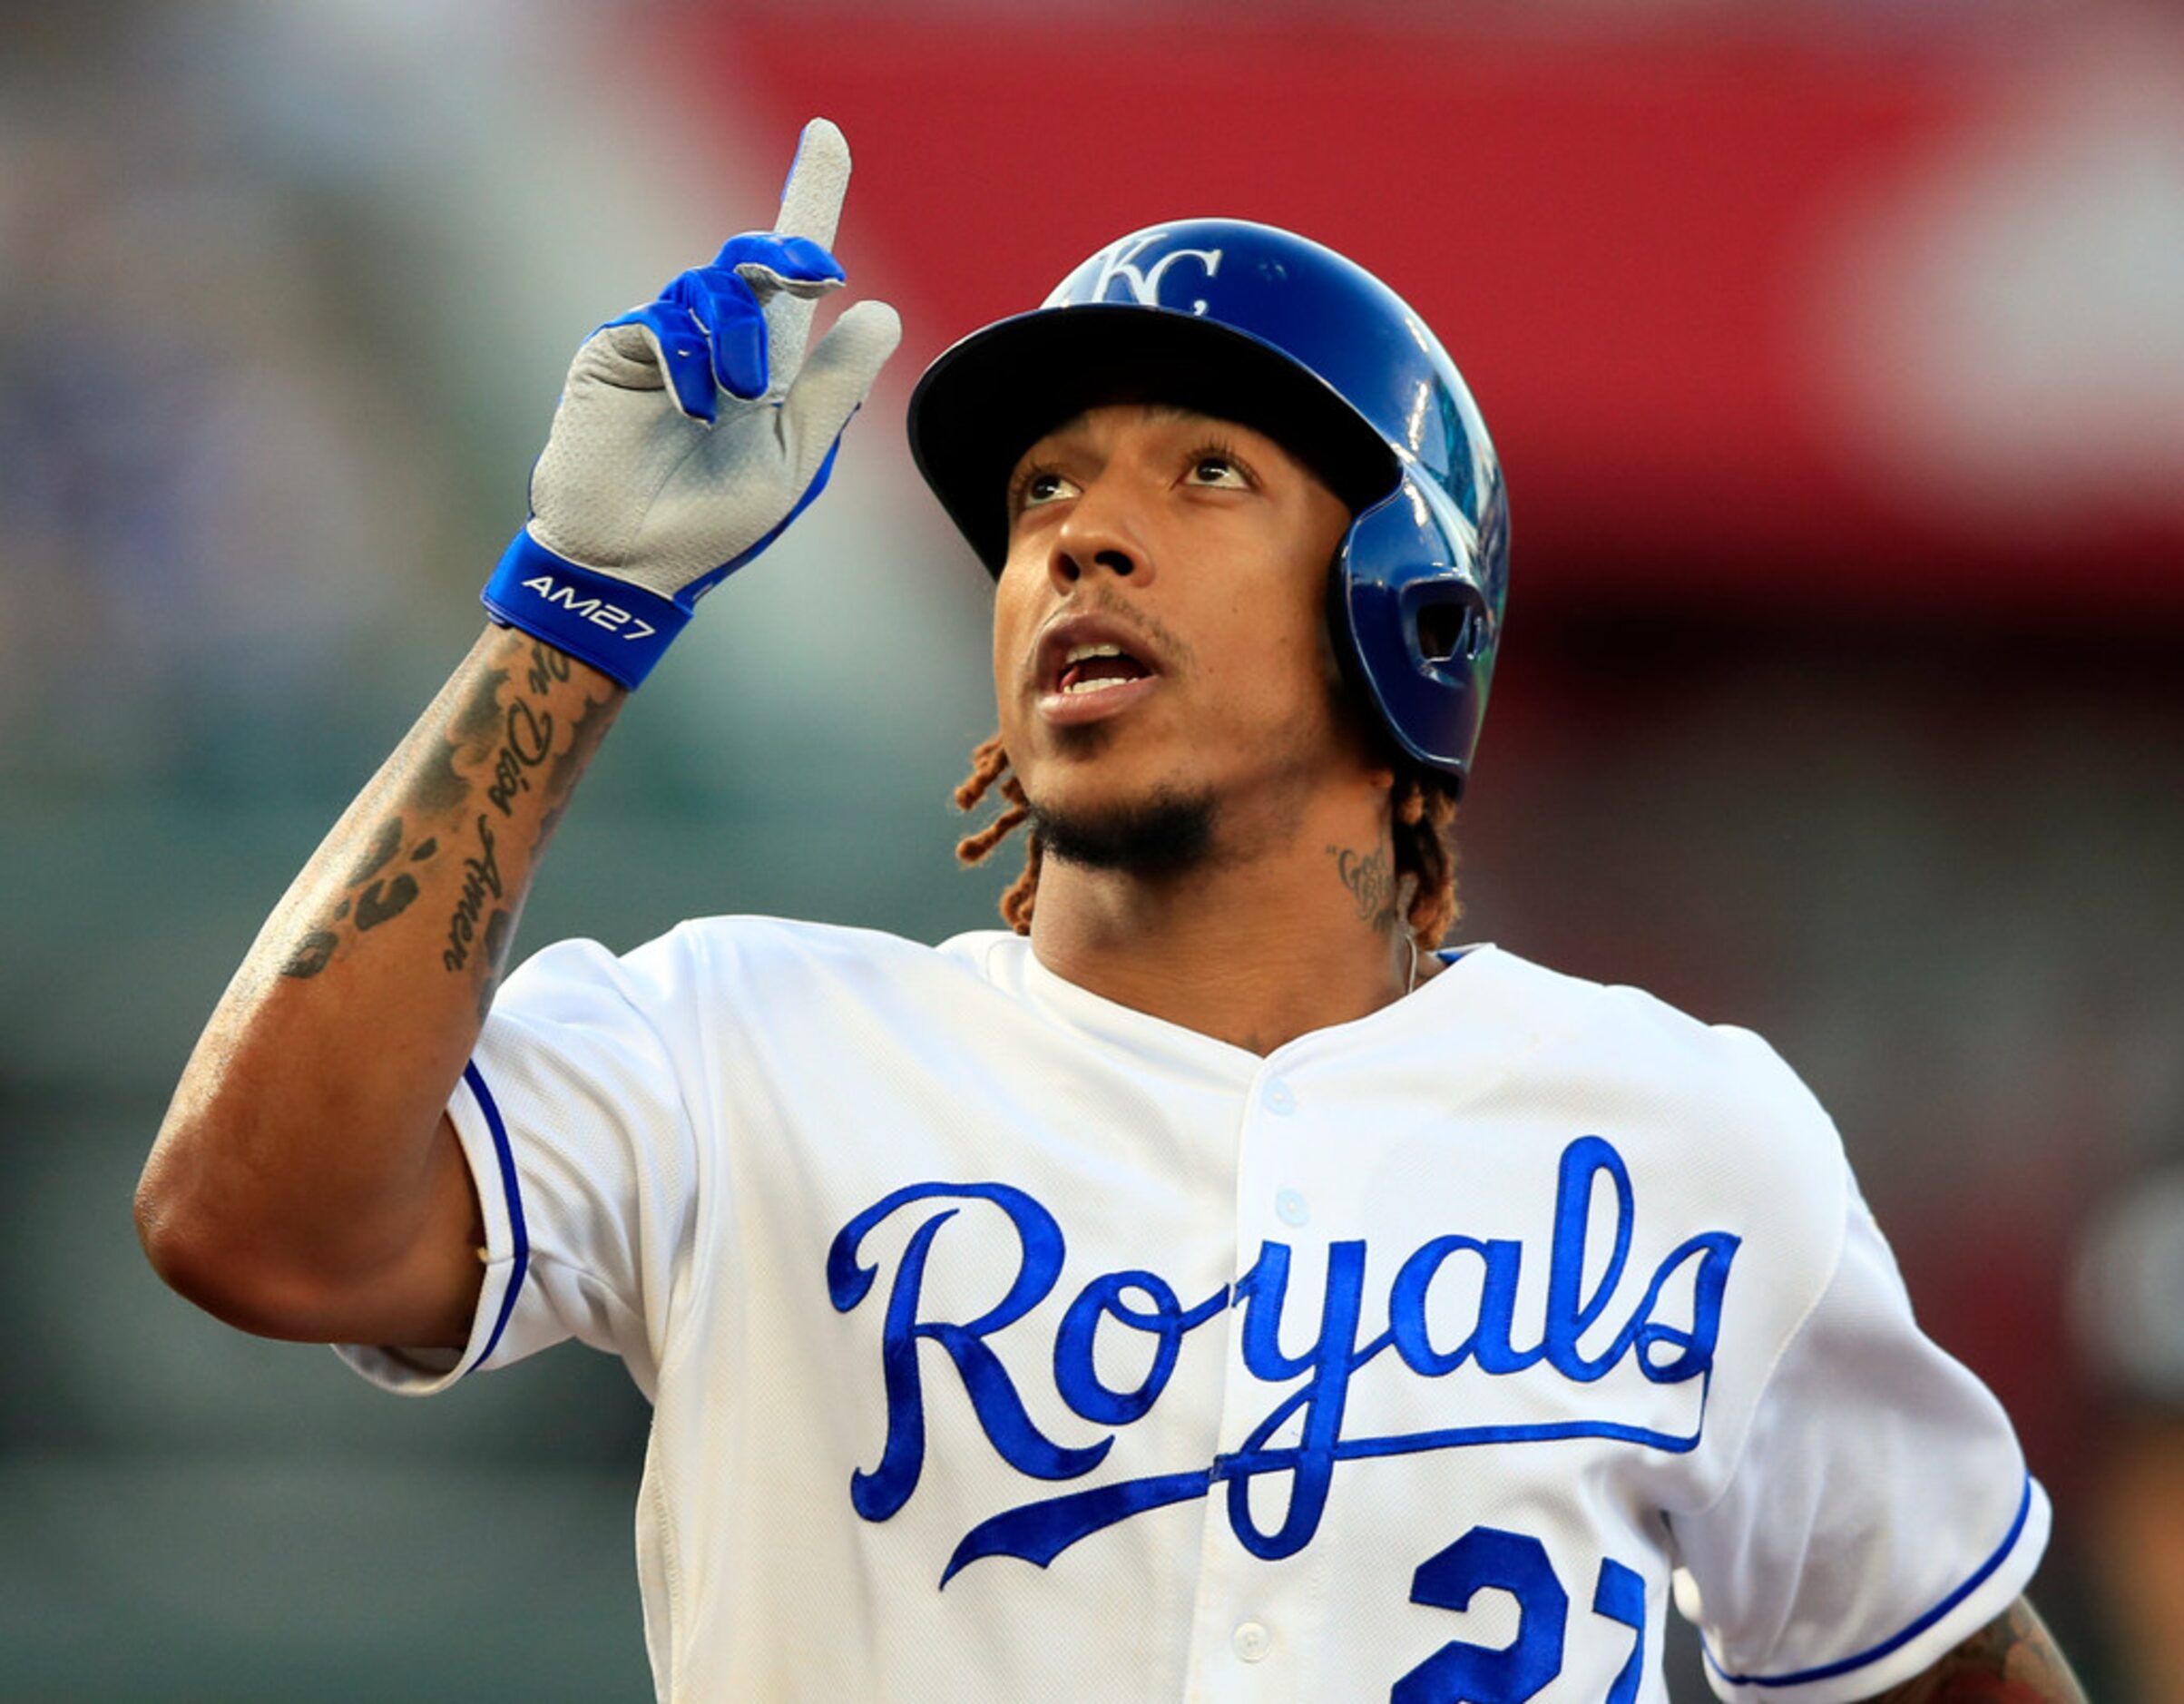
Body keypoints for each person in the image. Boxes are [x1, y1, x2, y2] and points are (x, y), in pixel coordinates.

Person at [135, 118, 2087, 1702]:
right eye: (1045, 487)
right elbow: (255, 1226)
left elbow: (1935, 1654)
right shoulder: (739, 1044)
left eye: (1207, 471)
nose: (1081, 524)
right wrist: (573, 607)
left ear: (1405, 603)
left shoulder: (1687, 1137)